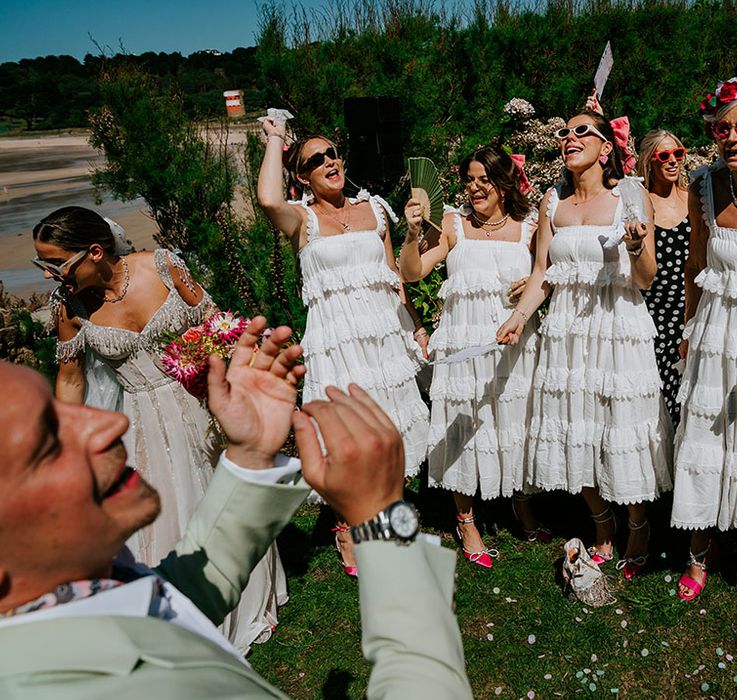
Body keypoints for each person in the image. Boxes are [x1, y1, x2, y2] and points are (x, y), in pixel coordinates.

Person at [0, 318, 473, 700]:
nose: (110, 423)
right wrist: (385, 518)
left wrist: (250, 454)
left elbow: (170, 602)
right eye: (48, 442)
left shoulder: (63, 609)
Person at [31, 206, 285, 651]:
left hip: (201, 404)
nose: (52, 275)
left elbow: (216, 324)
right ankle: (183, 611)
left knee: (220, 496)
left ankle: (243, 594)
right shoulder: (68, 308)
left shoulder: (164, 267)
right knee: (168, 509)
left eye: (57, 263)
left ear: (94, 252)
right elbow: (71, 379)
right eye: (43, 265)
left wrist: (224, 373)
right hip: (143, 422)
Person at [496, 109, 673, 580]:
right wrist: (517, 317)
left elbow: (645, 278)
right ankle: (601, 521)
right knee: (575, 425)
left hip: (617, 328)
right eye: (563, 133)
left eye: (581, 132)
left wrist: (636, 249)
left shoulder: (630, 196)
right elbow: (541, 275)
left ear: (605, 147)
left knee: (620, 426)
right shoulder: (552, 202)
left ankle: (638, 524)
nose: (568, 138)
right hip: (568, 335)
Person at [257, 119, 430, 575]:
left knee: (388, 427)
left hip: (383, 337)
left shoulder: (374, 208)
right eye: (315, 160)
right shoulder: (301, 218)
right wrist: (276, 137)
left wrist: (414, 326)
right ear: (303, 176)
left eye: (332, 153)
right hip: (336, 340)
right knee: (345, 437)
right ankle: (345, 527)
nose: (329, 162)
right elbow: (267, 199)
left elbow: (395, 278)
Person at [399, 146, 548, 568]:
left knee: (514, 419)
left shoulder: (530, 226)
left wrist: (538, 282)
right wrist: (412, 235)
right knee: (461, 422)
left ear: (504, 182)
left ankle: (520, 502)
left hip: (511, 341)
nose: (475, 187)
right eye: (469, 179)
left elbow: (550, 271)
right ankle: (465, 519)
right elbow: (412, 272)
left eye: (484, 179)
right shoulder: (452, 224)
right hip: (463, 341)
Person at [673, 74, 737, 614]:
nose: (732, 137)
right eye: (723, 127)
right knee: (706, 439)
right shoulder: (703, 185)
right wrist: (689, 332)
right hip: (715, 332)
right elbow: (694, 265)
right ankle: (697, 552)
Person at [636, 130, 690, 426]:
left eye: (678, 154)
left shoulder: (694, 196)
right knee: (662, 394)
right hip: (654, 312)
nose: (673, 161)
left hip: (692, 308)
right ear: (650, 161)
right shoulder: (643, 203)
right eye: (664, 156)